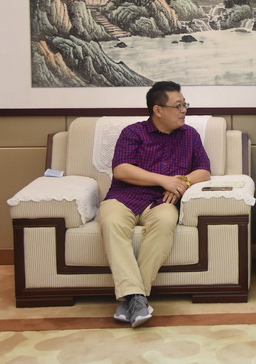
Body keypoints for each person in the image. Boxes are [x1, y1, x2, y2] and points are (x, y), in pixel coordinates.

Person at [99, 81, 211, 327]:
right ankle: (137, 297)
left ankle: (131, 298)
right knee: (111, 221)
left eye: (185, 104)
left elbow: (204, 170)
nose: (184, 110)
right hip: (123, 198)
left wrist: (182, 182)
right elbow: (121, 170)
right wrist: (164, 180)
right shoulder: (133, 132)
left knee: (166, 222)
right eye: (178, 106)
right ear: (158, 110)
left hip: (162, 201)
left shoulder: (190, 135)